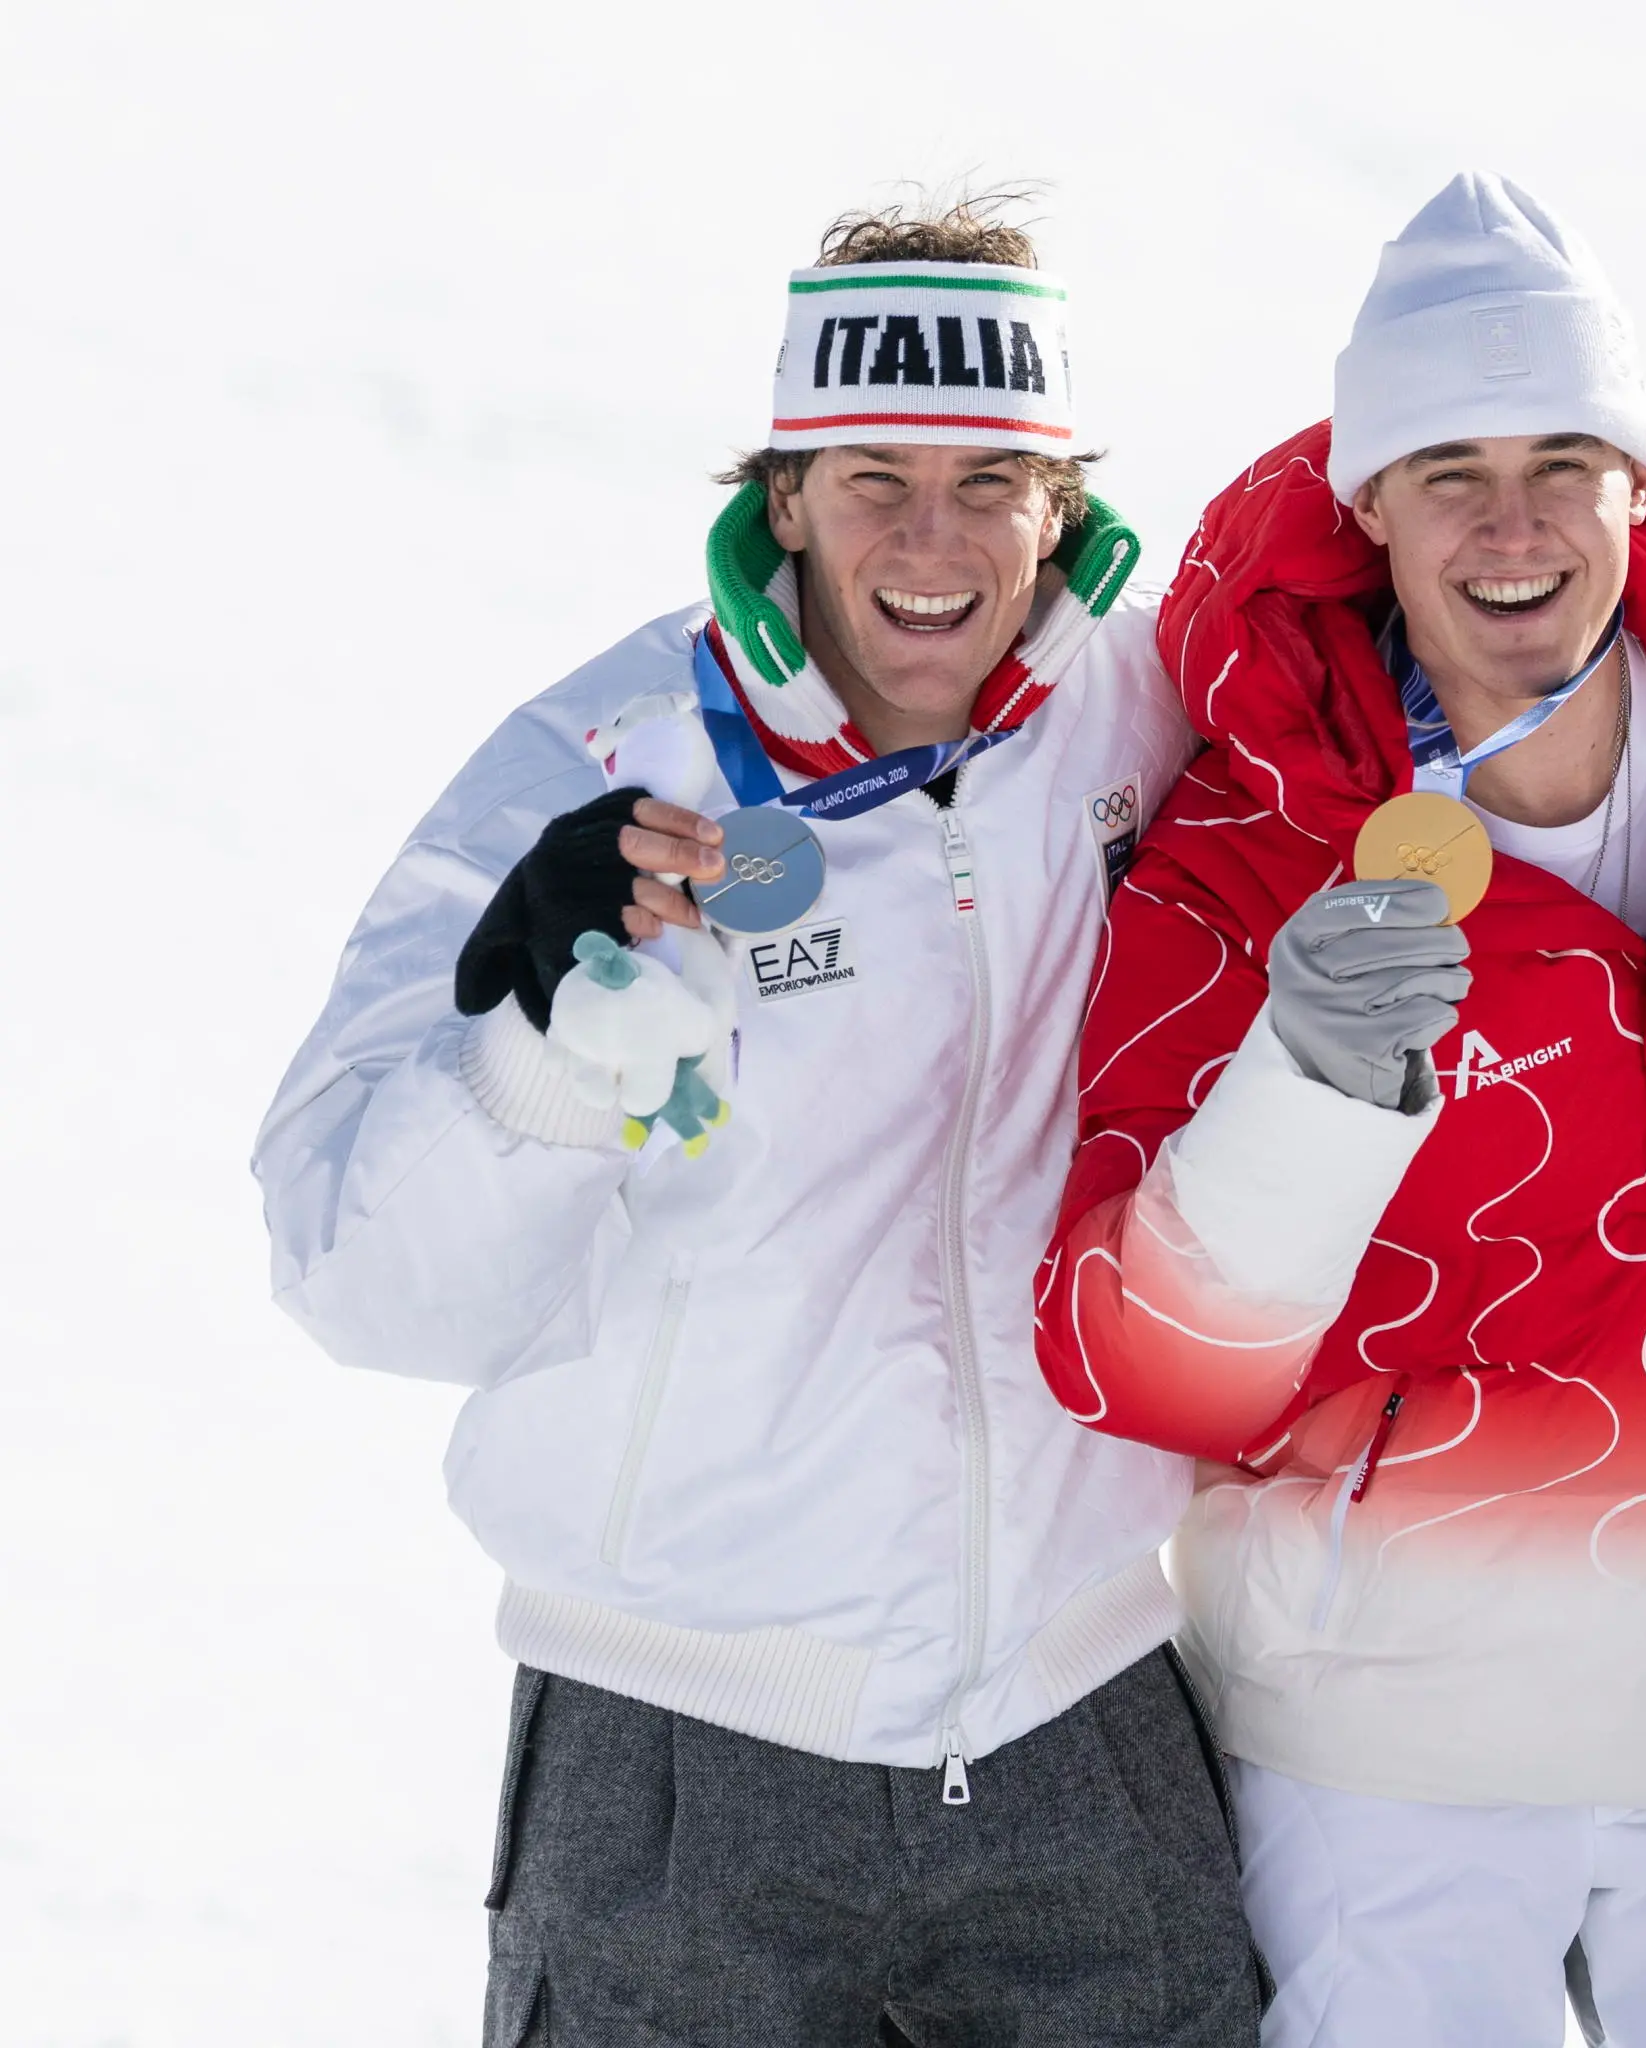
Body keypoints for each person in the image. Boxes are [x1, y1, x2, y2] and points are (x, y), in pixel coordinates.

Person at [252, 196, 1260, 2047]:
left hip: (1083, 1719)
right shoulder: (603, 769)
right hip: (680, 1760)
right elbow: (348, 1280)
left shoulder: (1157, 716)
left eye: (990, 482)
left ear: (1066, 504)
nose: (934, 543)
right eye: (872, 476)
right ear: (781, 492)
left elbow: (1482, 634)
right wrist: (539, 1059)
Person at [1034, 173, 1646, 2048]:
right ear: (1364, 503)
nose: (1512, 526)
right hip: (1399, 1757)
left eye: (1560, 462)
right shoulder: (1247, 843)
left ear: (1640, 480)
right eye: (1447, 471)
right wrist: (1309, 1086)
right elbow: (1138, 1358)